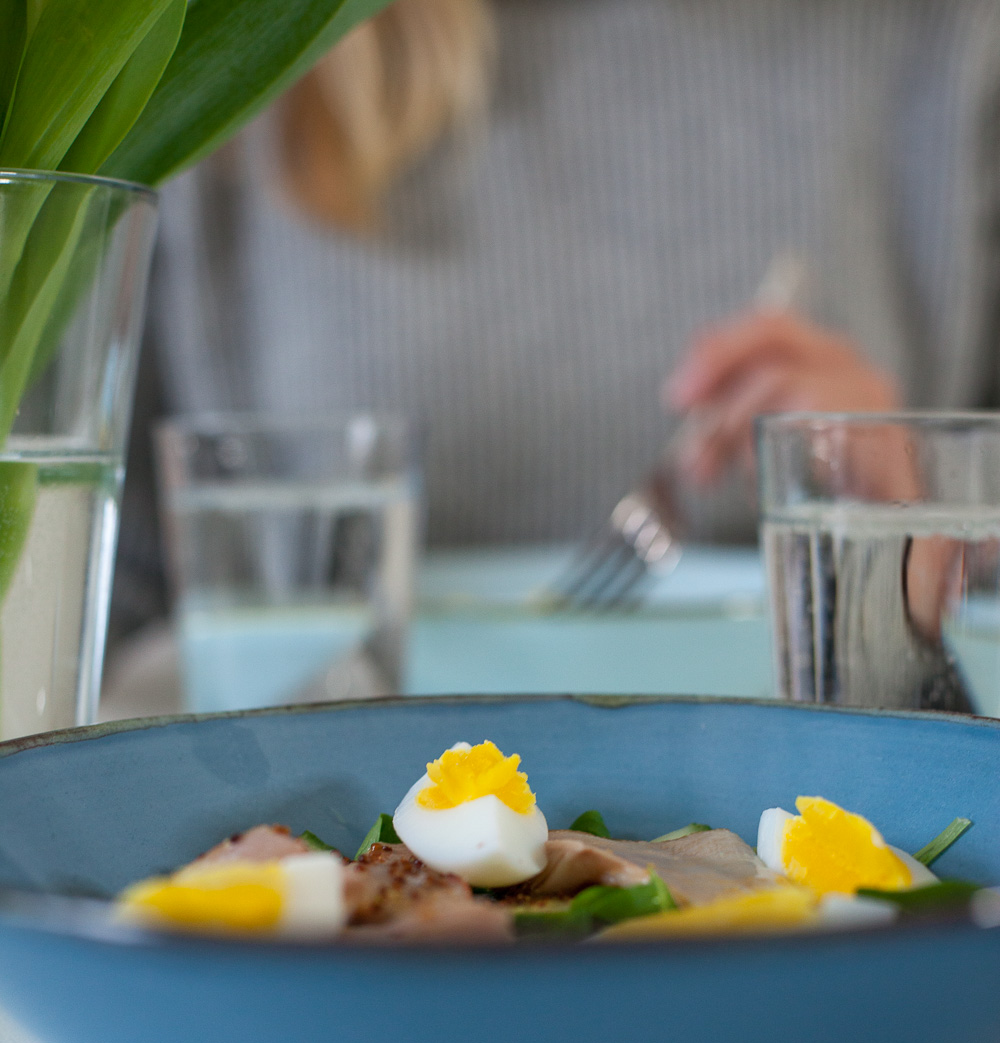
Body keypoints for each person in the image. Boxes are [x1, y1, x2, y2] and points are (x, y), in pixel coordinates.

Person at [111, 0, 1000, 647]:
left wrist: (937, 522)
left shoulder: (934, 37)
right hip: (317, 821)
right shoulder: (202, 51)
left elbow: (971, 582)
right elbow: (105, 599)